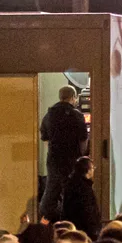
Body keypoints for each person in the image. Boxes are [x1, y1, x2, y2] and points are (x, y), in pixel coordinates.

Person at [39, 85, 89, 221]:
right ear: (73, 97)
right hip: (72, 161)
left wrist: (53, 152)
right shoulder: (77, 115)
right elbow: (83, 139)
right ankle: (69, 222)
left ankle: (44, 223)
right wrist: (81, 157)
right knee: (71, 192)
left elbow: (44, 138)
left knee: (50, 192)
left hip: (54, 161)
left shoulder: (49, 114)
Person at [60, 156, 102, 240]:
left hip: (72, 228)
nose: (93, 170)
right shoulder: (85, 188)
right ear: (88, 170)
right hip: (85, 232)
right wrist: (94, 229)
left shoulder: (70, 184)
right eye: (93, 168)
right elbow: (87, 210)